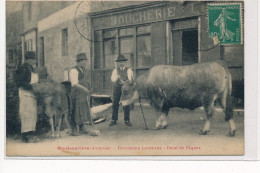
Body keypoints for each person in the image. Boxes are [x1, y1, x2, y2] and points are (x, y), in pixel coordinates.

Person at [69, 53, 100, 136]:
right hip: (76, 93)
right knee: (75, 110)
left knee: (82, 110)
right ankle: (74, 129)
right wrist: (84, 88)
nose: (85, 63)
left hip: (83, 94)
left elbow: (86, 80)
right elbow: (74, 84)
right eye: (83, 61)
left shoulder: (84, 70)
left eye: (85, 61)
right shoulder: (73, 70)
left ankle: (82, 127)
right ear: (78, 62)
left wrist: (89, 88)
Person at [15, 56, 39, 143]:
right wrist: (31, 86)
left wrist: (37, 88)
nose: (34, 60)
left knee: (32, 114)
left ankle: (31, 133)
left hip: (32, 93)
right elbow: (19, 82)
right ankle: (25, 135)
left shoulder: (32, 68)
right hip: (25, 93)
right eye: (33, 58)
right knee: (26, 113)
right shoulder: (22, 68)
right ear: (28, 59)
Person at [109, 55, 134, 127]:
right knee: (115, 103)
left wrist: (126, 82)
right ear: (118, 63)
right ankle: (114, 119)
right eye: (120, 62)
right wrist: (117, 77)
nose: (121, 63)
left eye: (122, 62)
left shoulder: (129, 70)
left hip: (125, 87)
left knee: (126, 103)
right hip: (117, 87)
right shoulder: (115, 70)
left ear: (125, 62)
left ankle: (127, 120)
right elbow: (113, 79)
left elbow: (131, 80)